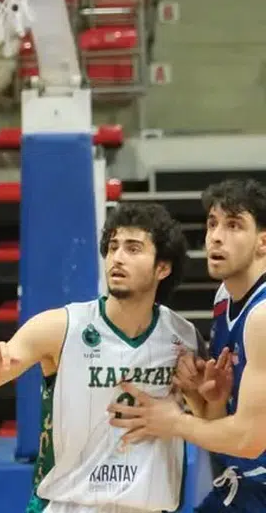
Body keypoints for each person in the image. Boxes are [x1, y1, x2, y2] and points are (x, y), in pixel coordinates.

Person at [0, 202, 196, 513]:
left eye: (133, 249)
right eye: (112, 247)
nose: (117, 257)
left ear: (163, 267)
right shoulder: (59, 327)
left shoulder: (184, 338)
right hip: (71, 504)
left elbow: (210, 419)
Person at [110, 179, 266, 512]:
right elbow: (223, 426)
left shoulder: (262, 317)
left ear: (262, 242)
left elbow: (249, 440)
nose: (216, 236)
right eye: (212, 224)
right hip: (247, 485)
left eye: (234, 225)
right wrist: (204, 398)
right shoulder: (225, 297)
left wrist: (173, 421)